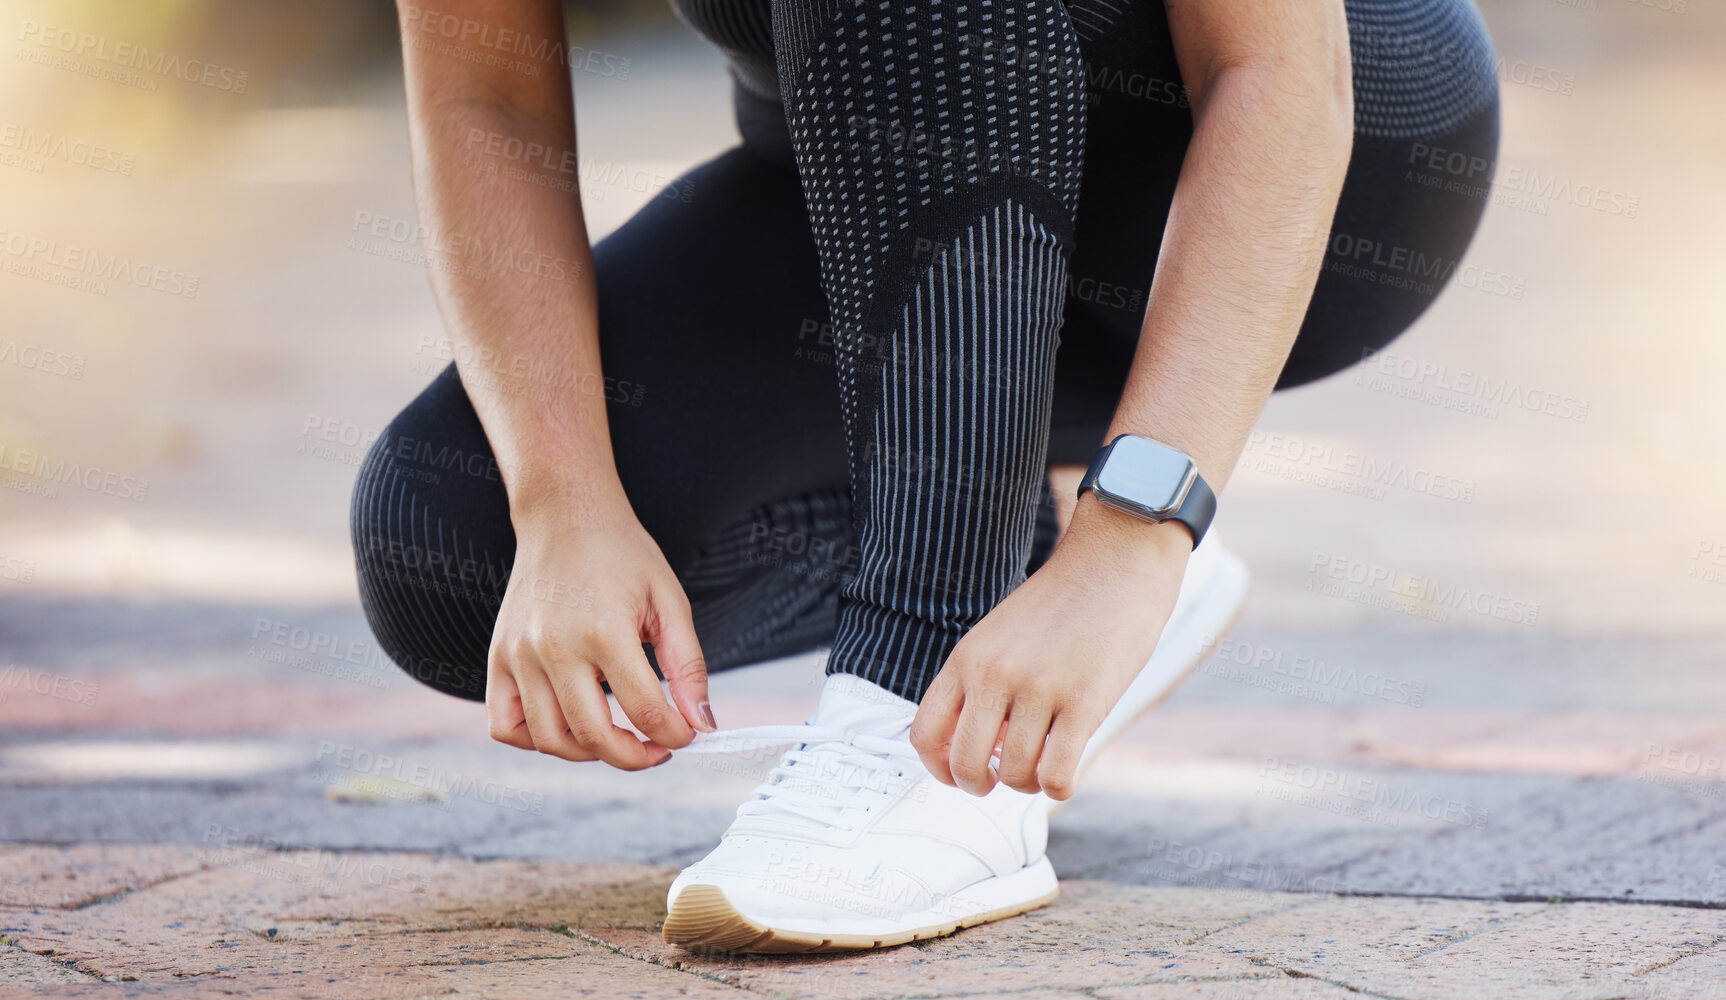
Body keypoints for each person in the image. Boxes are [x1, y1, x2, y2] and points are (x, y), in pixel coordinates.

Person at [355, 0, 1499, 951]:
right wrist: (564, 502)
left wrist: (1133, 539)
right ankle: (1015, 553)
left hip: (1297, 158)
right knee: (454, 550)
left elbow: (1278, 72)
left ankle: (917, 699)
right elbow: (482, 97)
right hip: (888, 179)